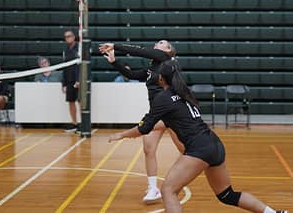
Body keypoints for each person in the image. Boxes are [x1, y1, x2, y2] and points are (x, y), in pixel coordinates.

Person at [108, 60, 287, 213]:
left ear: (161, 78)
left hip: (199, 148)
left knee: (168, 190)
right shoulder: (184, 92)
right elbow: (173, 120)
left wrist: (121, 134)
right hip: (214, 144)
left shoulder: (163, 98)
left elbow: (144, 128)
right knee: (227, 195)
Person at [100, 41, 183, 203]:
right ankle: (153, 188)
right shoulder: (152, 69)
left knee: (187, 151)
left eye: (162, 43)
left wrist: (115, 46)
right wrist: (114, 61)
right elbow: (131, 75)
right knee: (148, 149)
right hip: (157, 114)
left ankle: (177, 182)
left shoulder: (165, 58)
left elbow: (141, 52)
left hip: (173, 113)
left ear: (169, 51)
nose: (157, 44)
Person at [62, 30, 79, 133]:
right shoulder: (66, 51)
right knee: (71, 102)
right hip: (69, 81)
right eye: (66, 37)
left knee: (81, 102)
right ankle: (74, 124)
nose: (67, 38)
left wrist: (79, 80)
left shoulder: (79, 49)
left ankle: (83, 125)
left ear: (73, 37)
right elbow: (64, 67)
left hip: (78, 81)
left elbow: (81, 66)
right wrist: (63, 83)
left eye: (69, 36)